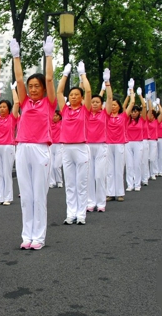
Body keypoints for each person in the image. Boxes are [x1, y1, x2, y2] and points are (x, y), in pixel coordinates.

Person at [11, 36, 56, 250]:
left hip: (40, 149)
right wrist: (16, 57)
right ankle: (26, 234)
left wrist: (48, 55)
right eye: (31, 86)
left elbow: (49, 79)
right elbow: (19, 80)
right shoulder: (25, 102)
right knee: (26, 195)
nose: (33, 89)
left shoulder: (49, 102)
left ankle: (39, 236)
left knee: (39, 195)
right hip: (22, 148)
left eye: (36, 86)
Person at [56, 62, 91, 224]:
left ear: (82, 98)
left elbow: (89, 90)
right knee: (70, 183)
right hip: (66, 148)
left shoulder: (85, 110)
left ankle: (81, 214)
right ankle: (71, 214)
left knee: (81, 183)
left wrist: (82, 74)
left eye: (77, 95)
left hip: (81, 147)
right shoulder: (65, 110)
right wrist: (65, 74)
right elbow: (59, 91)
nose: (74, 97)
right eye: (72, 95)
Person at [105, 70, 132, 202]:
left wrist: (131, 92)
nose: (114, 107)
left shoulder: (124, 116)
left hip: (120, 144)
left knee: (119, 169)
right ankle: (110, 193)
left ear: (119, 106)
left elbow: (131, 104)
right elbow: (107, 99)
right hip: (109, 144)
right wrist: (107, 84)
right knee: (109, 169)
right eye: (112, 105)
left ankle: (120, 192)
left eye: (116, 105)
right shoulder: (107, 116)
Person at [85, 71, 111, 212]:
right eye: (93, 102)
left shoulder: (104, 114)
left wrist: (107, 84)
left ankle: (101, 202)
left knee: (100, 175)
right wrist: (82, 80)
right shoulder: (87, 113)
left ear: (102, 104)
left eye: (97, 102)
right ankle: (90, 202)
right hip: (88, 146)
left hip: (101, 146)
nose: (94, 104)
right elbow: (85, 96)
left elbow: (110, 97)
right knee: (89, 176)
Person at [0, 83, 19, 206]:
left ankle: (8, 197)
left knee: (7, 172)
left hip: (8, 146)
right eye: (0, 107)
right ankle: (0, 197)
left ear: (9, 108)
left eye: (4, 107)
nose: (2, 109)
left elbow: (17, 103)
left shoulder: (12, 118)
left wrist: (13, 89)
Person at [124, 84, 146, 192]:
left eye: (135, 111)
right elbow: (123, 107)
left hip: (138, 143)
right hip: (128, 143)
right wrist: (129, 95)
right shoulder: (127, 119)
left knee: (137, 164)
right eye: (132, 111)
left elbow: (144, 107)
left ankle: (137, 184)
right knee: (129, 165)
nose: (133, 113)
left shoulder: (142, 119)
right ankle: (130, 184)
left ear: (138, 112)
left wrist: (140, 95)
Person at [49, 110, 64, 189]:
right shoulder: (49, 123)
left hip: (59, 145)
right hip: (51, 145)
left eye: (56, 116)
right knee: (50, 165)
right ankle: (52, 182)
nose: (54, 117)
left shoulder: (62, 123)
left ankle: (59, 181)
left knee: (56, 165)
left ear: (60, 117)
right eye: (53, 115)